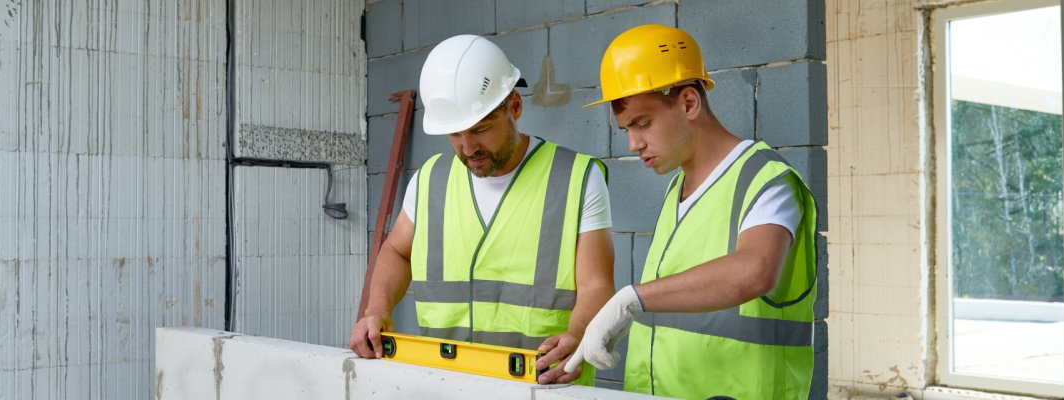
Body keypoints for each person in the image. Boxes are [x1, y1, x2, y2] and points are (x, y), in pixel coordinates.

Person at [563, 24, 818, 399]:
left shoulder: (765, 181)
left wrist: (631, 299)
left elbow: (754, 271)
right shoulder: (675, 191)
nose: (633, 143)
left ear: (688, 103)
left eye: (643, 123)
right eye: (625, 129)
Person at [348, 34, 614, 385]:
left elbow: (597, 284)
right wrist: (377, 310)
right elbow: (397, 251)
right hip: (448, 385)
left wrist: (577, 334)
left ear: (515, 107)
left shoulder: (578, 178)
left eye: (481, 129)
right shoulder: (430, 179)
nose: (468, 147)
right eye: (455, 134)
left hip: (543, 385)